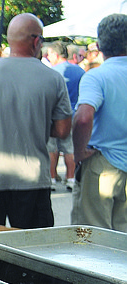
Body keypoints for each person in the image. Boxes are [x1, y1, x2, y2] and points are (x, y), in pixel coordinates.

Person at [0, 14, 72, 229]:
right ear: (36, 41)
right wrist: (36, 123)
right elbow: (63, 130)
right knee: (32, 253)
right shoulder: (53, 78)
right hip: (32, 179)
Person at [70, 13, 127, 232]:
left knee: (93, 239)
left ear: (100, 44)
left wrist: (79, 152)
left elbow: (83, 117)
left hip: (103, 164)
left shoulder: (97, 76)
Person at [44, 41, 84, 191]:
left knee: (51, 147)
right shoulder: (80, 71)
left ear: (55, 54)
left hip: (54, 114)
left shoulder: (52, 72)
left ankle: (52, 178)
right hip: (74, 112)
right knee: (70, 148)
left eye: (49, 54)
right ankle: (71, 178)